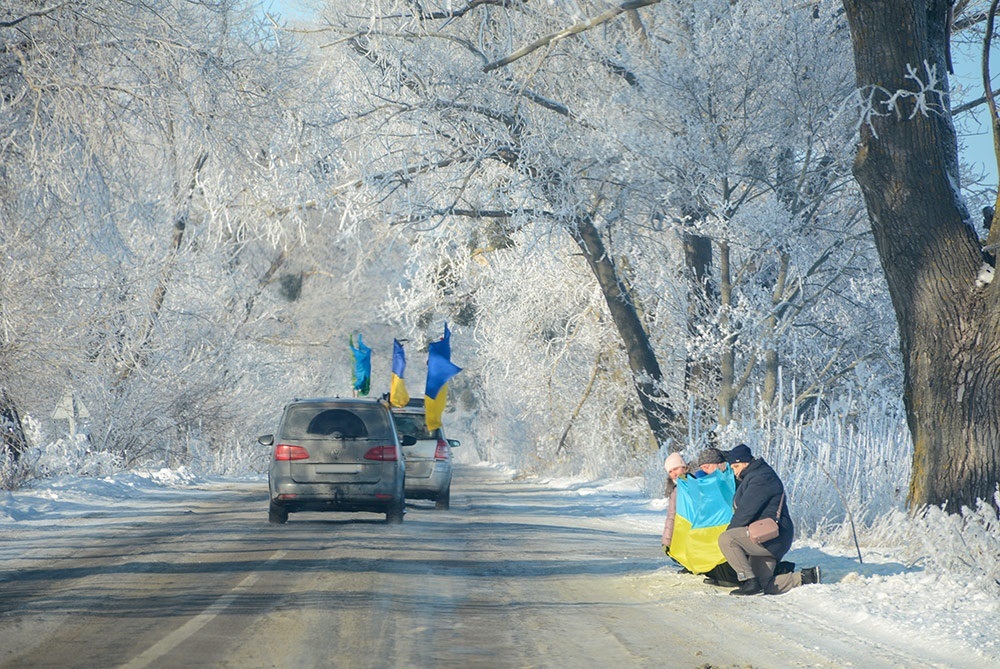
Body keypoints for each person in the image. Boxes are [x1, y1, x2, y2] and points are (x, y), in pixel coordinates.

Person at [717, 443, 821, 596]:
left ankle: (748, 581)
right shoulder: (756, 475)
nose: (734, 472)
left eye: (735, 467)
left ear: (743, 462)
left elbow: (745, 512)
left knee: (727, 539)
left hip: (771, 537)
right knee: (763, 585)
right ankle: (806, 577)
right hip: (768, 536)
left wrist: (730, 542)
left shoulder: (761, 477)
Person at [661, 451, 690, 561]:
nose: (674, 473)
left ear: (683, 466)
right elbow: (671, 516)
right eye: (670, 471)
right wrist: (666, 541)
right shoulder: (675, 491)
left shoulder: (697, 480)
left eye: (676, 468)